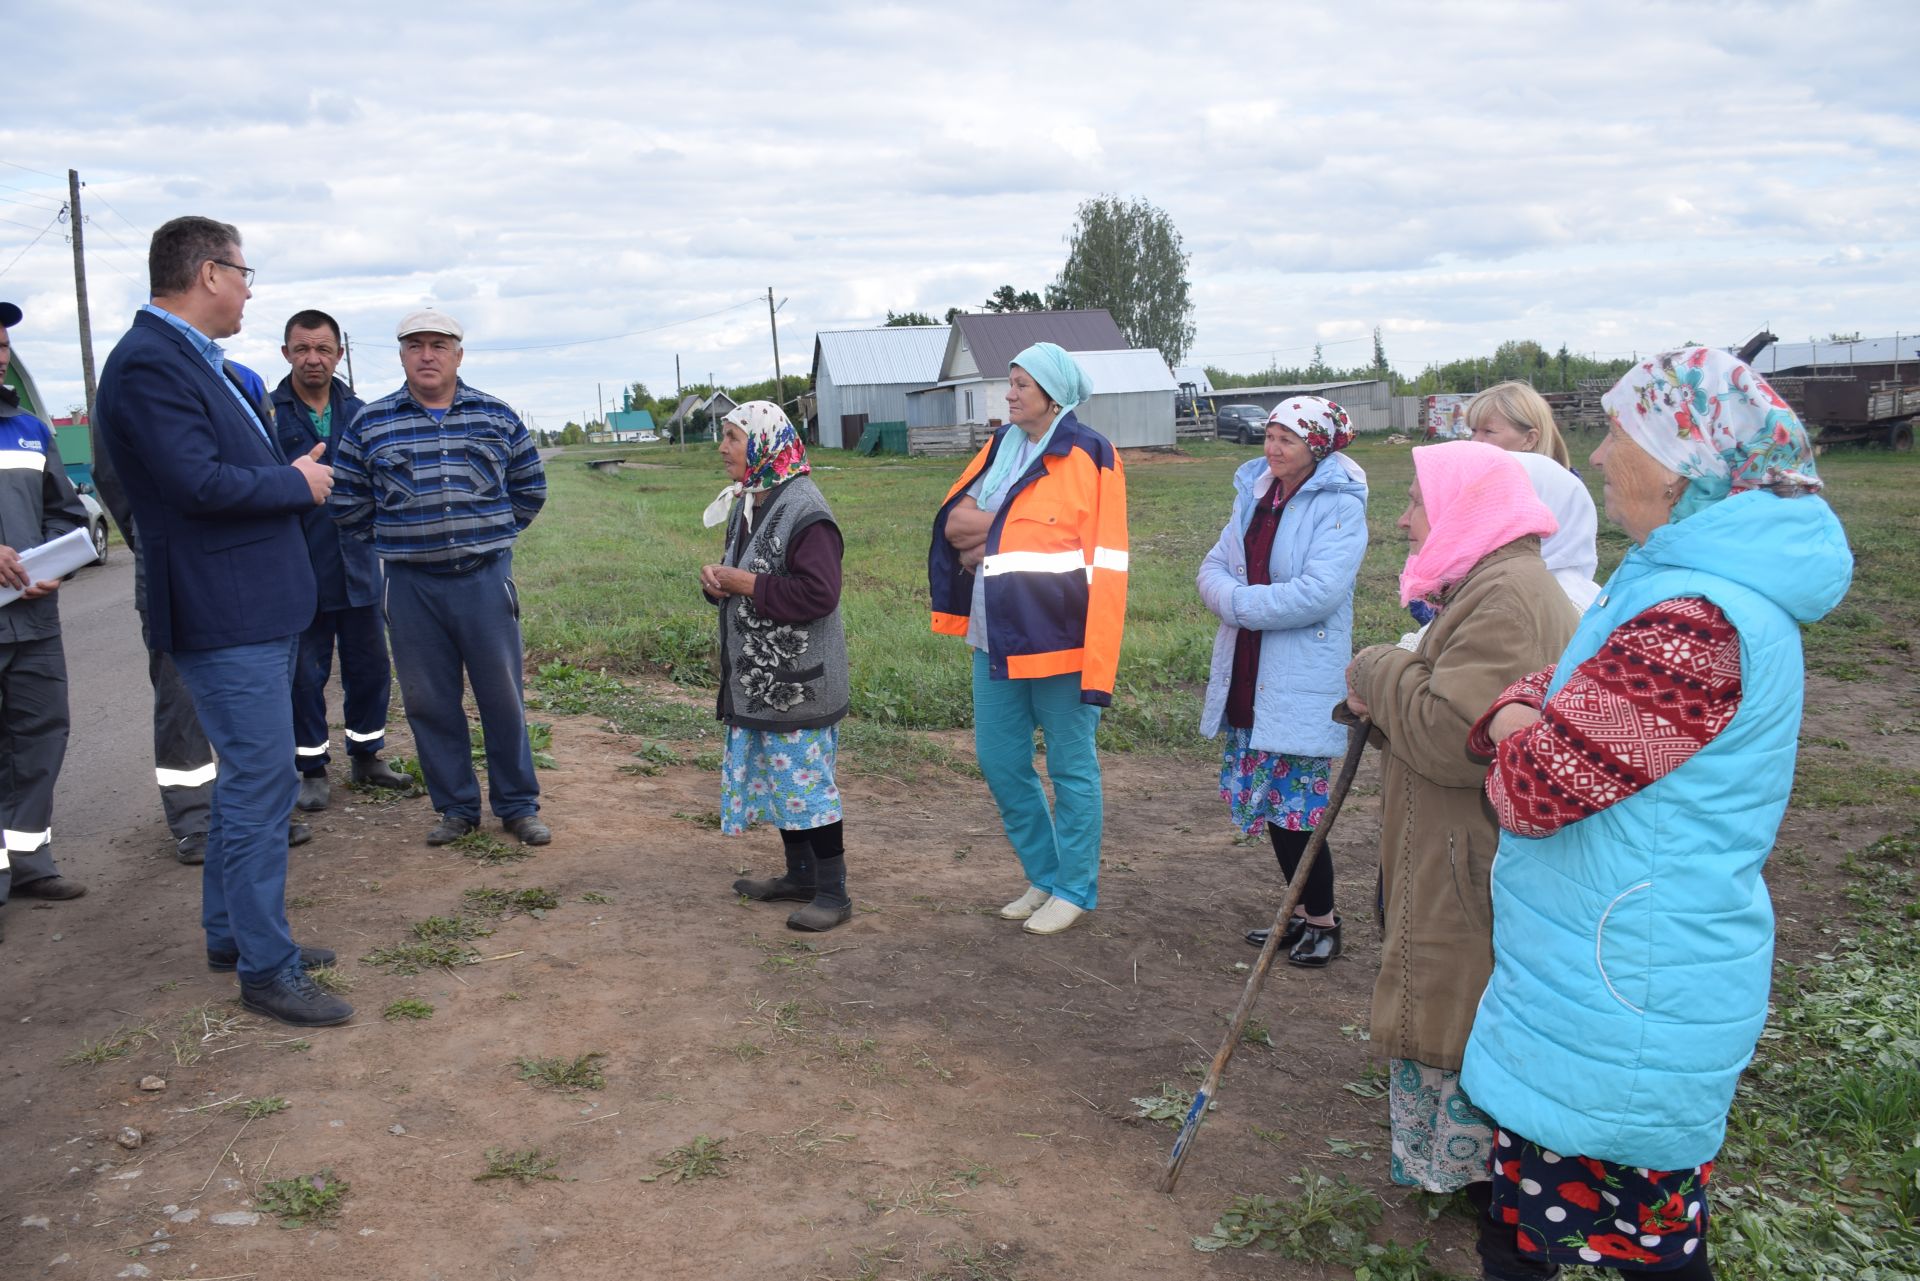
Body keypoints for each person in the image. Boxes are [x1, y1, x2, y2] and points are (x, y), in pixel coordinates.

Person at [1460, 348, 1852, 1281]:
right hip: (1603, 969)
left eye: (1616, 431)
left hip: (1629, 985)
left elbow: (1532, 787)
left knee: (1625, 1254)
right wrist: (1531, 714)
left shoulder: (1694, 624)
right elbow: (1537, 698)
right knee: (1536, 1235)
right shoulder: (1666, 582)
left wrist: (1528, 720)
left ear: (1679, 460)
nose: (1596, 456)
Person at [95, 216, 349, 1026]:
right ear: (209, 273)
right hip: (224, 614)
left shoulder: (192, 362)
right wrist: (295, 485)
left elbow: (221, 471)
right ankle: (266, 968)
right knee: (261, 783)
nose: (247, 290)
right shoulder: (147, 366)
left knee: (252, 781)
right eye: (244, 274)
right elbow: (197, 484)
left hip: (255, 606)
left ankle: (233, 935)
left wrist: (285, 473)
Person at [1340, 440, 1578, 1203]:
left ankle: (1489, 1194)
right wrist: (1388, 708)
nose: (1405, 520)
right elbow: (1447, 712)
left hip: (1466, 857)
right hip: (1455, 847)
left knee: (1468, 1013)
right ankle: (1478, 1187)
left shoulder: (1506, 597)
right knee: (1457, 1007)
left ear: (1462, 507)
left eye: (1415, 501)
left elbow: (1453, 740)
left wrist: (1379, 668)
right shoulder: (1489, 585)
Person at [329, 310, 548, 847]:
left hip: (484, 581)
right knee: (429, 702)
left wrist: (486, 535)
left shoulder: (496, 416)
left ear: (458, 353)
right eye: (415, 345)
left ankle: (518, 807)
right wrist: (400, 540)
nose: (427, 355)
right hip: (410, 588)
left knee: (503, 698)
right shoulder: (372, 423)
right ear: (401, 355)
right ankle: (455, 808)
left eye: (439, 344)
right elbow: (347, 502)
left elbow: (529, 489)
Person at [929, 342, 1127, 936]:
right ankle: (1044, 874)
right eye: (1009, 382)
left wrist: (994, 532)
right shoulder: (1000, 446)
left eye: (1020, 384)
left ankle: (1074, 888)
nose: (1009, 394)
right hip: (997, 632)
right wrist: (1002, 531)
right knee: (999, 759)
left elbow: (1108, 559)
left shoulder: (1091, 455)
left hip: (1062, 636)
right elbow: (954, 523)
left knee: (1070, 767)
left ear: (1052, 393)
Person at [1197, 396, 1367, 966]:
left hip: (1296, 671)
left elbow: (1319, 594)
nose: (1272, 447)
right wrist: (1230, 598)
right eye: (1270, 435)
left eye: (1287, 439)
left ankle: (1323, 920)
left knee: (1296, 807)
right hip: (1251, 666)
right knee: (1275, 805)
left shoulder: (1339, 507)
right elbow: (1213, 567)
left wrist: (1237, 605)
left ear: (1316, 446)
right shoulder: (1256, 495)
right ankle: (1296, 913)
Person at [699, 402, 852, 931]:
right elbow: (751, 574)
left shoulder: (805, 509)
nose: (722, 448)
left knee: (807, 785)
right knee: (780, 780)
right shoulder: (754, 498)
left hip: (800, 683)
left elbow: (820, 593)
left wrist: (745, 585)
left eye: (732, 437)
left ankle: (833, 893)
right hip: (766, 682)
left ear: (764, 444)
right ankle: (800, 877)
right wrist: (717, 583)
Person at [269, 310, 410, 810]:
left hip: (358, 564)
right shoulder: (266, 414)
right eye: (302, 349)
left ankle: (368, 755)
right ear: (285, 353)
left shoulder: (363, 413)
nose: (313, 359)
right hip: (297, 568)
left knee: (370, 666)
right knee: (304, 675)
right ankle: (311, 767)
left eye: (323, 349)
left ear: (339, 355)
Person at [0, 299, 91, 941]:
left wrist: (56, 559)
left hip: (33, 621)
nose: (0, 350)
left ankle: (28, 861)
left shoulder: (30, 428)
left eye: (2, 343)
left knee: (39, 739)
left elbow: (68, 511)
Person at [1465, 381, 1573, 469]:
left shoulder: (1558, 490)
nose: (1474, 441)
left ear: (1529, 439)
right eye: (1474, 431)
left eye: (1488, 431)